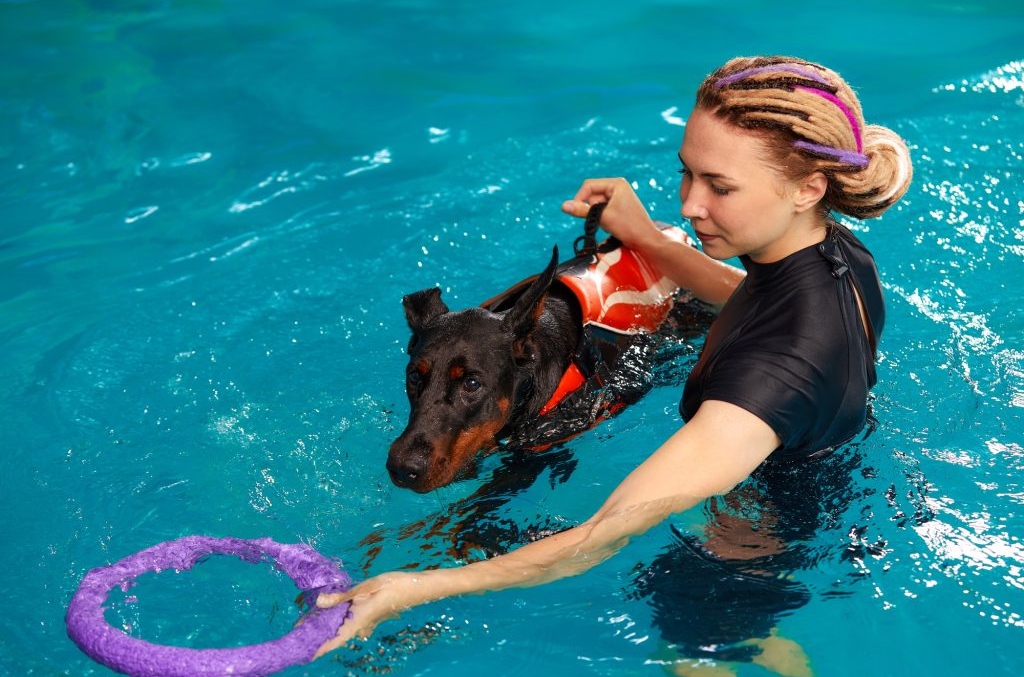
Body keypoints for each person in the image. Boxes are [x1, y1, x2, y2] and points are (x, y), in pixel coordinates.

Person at [314, 56, 913, 673]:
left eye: (720, 187)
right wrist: (650, 245)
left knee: (700, 650)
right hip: (822, 478)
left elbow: (599, 537)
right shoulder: (833, 254)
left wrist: (410, 589)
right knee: (757, 646)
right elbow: (751, 302)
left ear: (808, 187)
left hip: (739, 556)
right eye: (688, 175)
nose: (688, 207)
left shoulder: (772, 374)